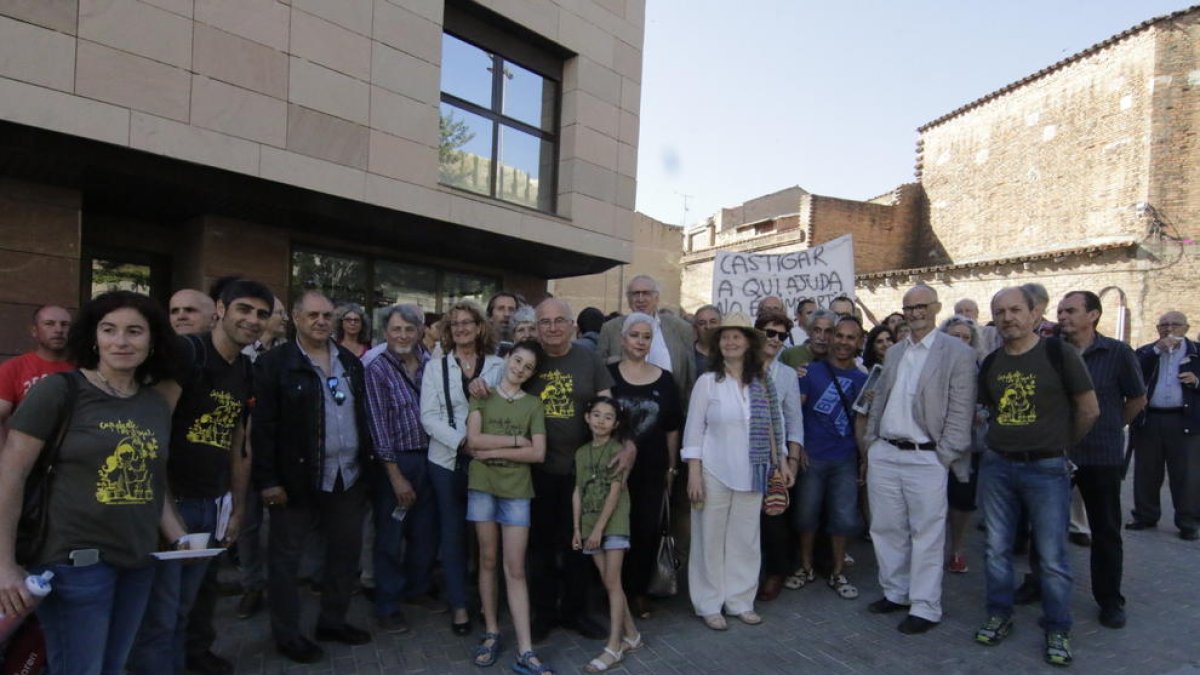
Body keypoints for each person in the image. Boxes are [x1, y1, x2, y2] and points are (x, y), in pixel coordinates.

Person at [0, 290, 187, 675]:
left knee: (113, 667)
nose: (121, 341)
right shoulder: (59, 392)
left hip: (137, 561)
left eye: (134, 331)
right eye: (109, 329)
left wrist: (182, 538)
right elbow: (11, 474)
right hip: (73, 565)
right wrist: (4, 565)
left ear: (152, 342)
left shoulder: (154, 404)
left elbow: (153, 480)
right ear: (93, 337)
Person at [129, 279, 272, 675]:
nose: (253, 320)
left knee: (185, 610)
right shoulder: (188, 353)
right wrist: (165, 511)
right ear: (220, 311)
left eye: (262, 314)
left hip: (212, 503)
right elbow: (151, 434)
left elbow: (239, 444)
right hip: (169, 505)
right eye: (244, 309)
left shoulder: (246, 369)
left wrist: (238, 508)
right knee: (161, 615)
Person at [974, 286, 1098, 667]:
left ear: (1033, 314)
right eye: (1000, 311)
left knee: (1052, 554)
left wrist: (1059, 446)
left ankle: (1058, 626)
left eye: (1015, 309)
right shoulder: (992, 363)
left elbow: (1089, 410)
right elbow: (989, 411)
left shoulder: (1058, 354)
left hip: (1046, 469)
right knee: (996, 549)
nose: (1007, 317)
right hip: (998, 466)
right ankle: (1000, 613)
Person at [252, 291, 374, 664]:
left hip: (346, 477)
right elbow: (263, 428)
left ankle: (332, 621)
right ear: (296, 317)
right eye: (314, 315)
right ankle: (287, 635)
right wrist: (269, 480)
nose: (321, 321)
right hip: (296, 479)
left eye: (327, 315)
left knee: (344, 554)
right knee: (286, 561)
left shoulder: (351, 363)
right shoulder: (275, 364)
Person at [862, 285, 977, 635]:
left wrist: (944, 454)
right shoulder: (896, 351)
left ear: (936, 307)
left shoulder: (956, 352)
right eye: (908, 307)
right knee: (886, 527)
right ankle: (895, 592)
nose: (914, 313)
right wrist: (871, 442)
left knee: (925, 533)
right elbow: (880, 397)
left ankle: (926, 606)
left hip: (926, 456)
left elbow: (962, 408)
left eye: (921, 306)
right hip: (886, 451)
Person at [1029, 291, 1144, 629]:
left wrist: (1108, 426)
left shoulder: (1118, 353)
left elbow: (1137, 398)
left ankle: (1109, 599)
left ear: (1093, 315)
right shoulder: (1050, 352)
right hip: (1055, 452)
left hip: (1101, 456)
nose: (1062, 316)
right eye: (1061, 311)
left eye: (1071, 311)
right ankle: (1038, 582)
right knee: (1045, 525)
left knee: (1105, 530)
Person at [682, 313, 790, 631]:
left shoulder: (762, 383)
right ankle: (709, 603)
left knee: (745, 539)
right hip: (714, 470)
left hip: (753, 472)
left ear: (747, 343)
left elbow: (775, 425)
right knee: (709, 538)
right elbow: (693, 430)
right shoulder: (707, 382)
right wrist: (693, 473)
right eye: (725, 337)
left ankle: (740, 600)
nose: (730, 342)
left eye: (737, 337)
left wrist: (781, 462)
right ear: (718, 344)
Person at [526, 298, 626, 641]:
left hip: (582, 470)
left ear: (572, 325)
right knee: (538, 546)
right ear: (536, 327)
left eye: (559, 321)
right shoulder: (529, 359)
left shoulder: (588, 359)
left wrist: (622, 446)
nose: (552, 327)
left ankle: (575, 612)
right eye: (545, 322)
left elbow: (607, 404)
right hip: (537, 469)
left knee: (579, 544)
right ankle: (543, 613)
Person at [465, 340, 553, 675]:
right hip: (483, 488)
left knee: (515, 568)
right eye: (517, 361)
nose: (520, 369)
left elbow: (539, 453)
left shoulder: (533, 405)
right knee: (487, 560)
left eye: (528, 367)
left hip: (517, 491)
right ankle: (490, 632)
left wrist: (491, 452)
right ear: (506, 358)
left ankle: (526, 649)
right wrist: (516, 441)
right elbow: (474, 440)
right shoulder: (482, 393)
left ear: (532, 374)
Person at [420, 300, 504, 636]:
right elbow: (428, 416)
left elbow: (508, 408)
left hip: (488, 462)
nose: (461, 329)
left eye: (467, 322)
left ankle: (487, 602)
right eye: (454, 324)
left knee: (486, 538)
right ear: (448, 331)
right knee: (453, 535)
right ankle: (458, 605)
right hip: (447, 461)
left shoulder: (498, 365)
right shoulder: (435, 367)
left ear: (480, 326)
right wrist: (463, 442)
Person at [364, 304, 439, 633]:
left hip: (432, 457)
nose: (403, 335)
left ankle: (417, 589)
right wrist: (395, 476)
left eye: (409, 329)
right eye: (396, 329)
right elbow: (378, 426)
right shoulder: (377, 369)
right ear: (386, 333)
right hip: (397, 461)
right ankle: (388, 604)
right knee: (390, 536)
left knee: (425, 531)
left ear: (421, 331)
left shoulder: (430, 364)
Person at [606, 313, 682, 618]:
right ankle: (612, 592)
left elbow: (672, 427)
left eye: (646, 337)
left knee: (645, 530)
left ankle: (637, 592)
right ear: (623, 339)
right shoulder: (607, 375)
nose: (640, 341)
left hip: (652, 469)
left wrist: (671, 469)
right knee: (613, 530)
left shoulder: (665, 380)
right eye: (635, 335)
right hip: (613, 468)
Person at [791, 315, 866, 600]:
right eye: (840, 335)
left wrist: (864, 458)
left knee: (843, 517)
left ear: (859, 343)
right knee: (806, 515)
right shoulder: (810, 372)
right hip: (813, 456)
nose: (844, 342)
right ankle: (806, 567)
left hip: (844, 458)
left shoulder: (862, 379)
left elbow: (861, 422)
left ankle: (837, 572)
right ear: (831, 338)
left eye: (851, 337)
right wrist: (799, 449)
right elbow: (796, 413)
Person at [573, 397, 641, 673]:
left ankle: (614, 645)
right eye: (596, 415)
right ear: (587, 418)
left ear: (616, 424)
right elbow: (577, 490)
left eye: (608, 417)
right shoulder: (581, 453)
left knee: (612, 582)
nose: (601, 421)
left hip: (612, 524)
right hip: (589, 524)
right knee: (609, 581)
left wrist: (600, 529)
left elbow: (615, 492)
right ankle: (633, 635)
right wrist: (578, 528)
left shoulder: (617, 450)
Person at [235, 295, 287, 621]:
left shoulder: (287, 353)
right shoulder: (241, 355)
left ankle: (281, 585)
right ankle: (251, 585)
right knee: (247, 524)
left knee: (279, 527)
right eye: (278, 313)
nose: (284, 318)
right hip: (240, 452)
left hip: (277, 452)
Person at [1129, 310, 1199, 540]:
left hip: (1184, 420)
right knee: (1146, 471)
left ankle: (1188, 522)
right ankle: (1145, 515)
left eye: (1175, 324)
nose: (1169, 329)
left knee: (1186, 474)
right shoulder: (1148, 352)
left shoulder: (1197, 353)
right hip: (1151, 418)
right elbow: (1132, 373)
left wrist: (1197, 382)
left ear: (1186, 328)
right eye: (1164, 325)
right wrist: (1156, 350)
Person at [753, 311, 803, 602]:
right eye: (769, 333)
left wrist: (792, 461)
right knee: (747, 520)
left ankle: (775, 573)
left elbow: (794, 420)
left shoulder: (786, 375)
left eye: (781, 336)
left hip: (777, 458)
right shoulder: (741, 369)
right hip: (744, 453)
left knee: (775, 519)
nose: (774, 340)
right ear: (757, 333)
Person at [596, 275, 696, 405]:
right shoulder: (610, 328)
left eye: (646, 293)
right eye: (635, 294)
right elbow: (597, 368)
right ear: (628, 299)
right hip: (621, 410)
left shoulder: (681, 328)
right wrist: (611, 361)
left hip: (670, 411)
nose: (640, 299)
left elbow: (690, 375)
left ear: (657, 298)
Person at [937, 315, 984, 575]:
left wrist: (981, 414)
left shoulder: (977, 367)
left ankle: (956, 548)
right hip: (934, 443)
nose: (961, 342)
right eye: (955, 336)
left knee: (962, 500)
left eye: (966, 337)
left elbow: (987, 400)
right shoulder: (932, 364)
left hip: (966, 446)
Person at [0, 305, 73, 445]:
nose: (58, 330)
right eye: (49, 324)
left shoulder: (85, 368)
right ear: (34, 331)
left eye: (65, 325)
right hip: (27, 452)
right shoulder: (13, 368)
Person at [691, 305, 721, 376]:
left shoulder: (730, 353)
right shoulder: (687, 355)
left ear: (721, 324)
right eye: (702, 323)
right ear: (696, 328)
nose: (708, 327)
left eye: (713, 322)